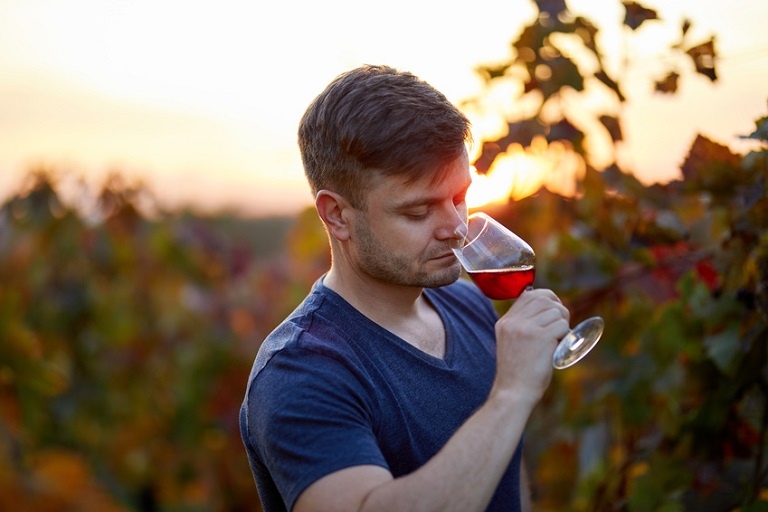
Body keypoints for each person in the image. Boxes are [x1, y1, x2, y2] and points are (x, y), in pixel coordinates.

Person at [239, 64, 570, 512]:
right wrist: (511, 395)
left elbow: (502, 472)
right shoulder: (301, 371)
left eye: (459, 198)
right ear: (337, 215)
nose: (456, 229)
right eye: (418, 212)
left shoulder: (468, 304)